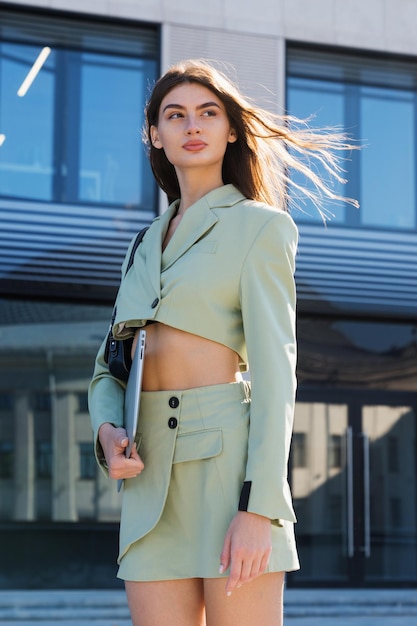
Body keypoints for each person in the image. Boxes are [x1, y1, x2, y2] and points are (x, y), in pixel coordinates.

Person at [88, 59, 358, 626]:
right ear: (155, 136)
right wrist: (107, 431)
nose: (193, 125)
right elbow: (107, 369)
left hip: (228, 469)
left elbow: (277, 371)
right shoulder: (141, 244)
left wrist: (258, 506)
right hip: (148, 478)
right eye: (175, 114)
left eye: (209, 113)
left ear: (230, 129)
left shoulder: (261, 226)